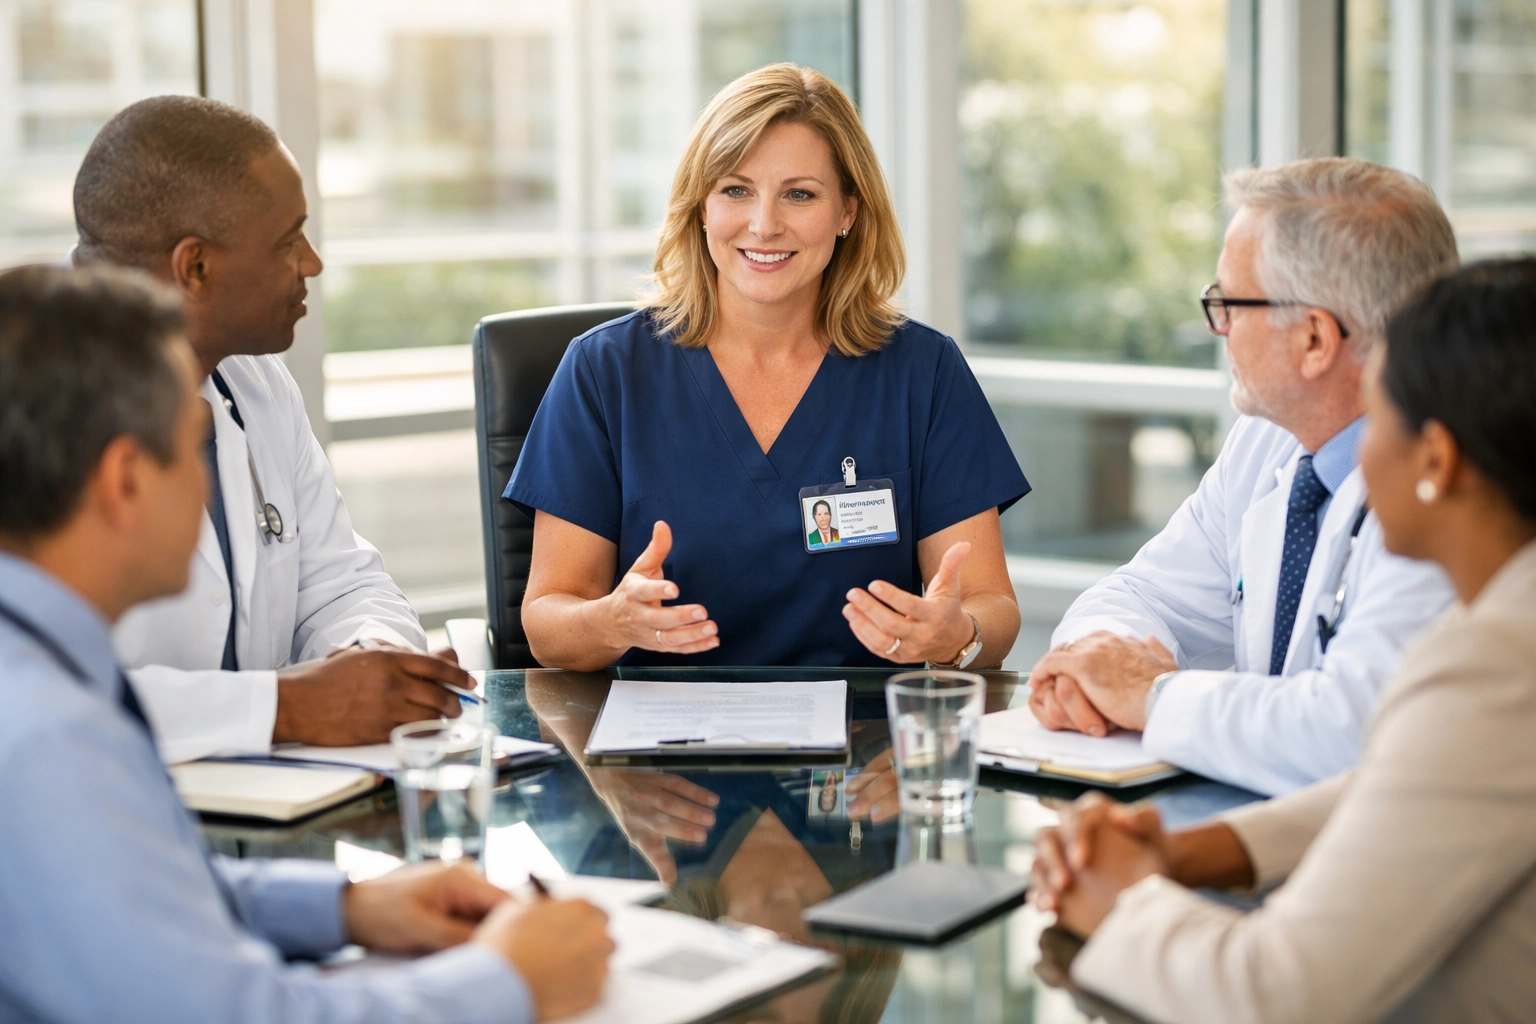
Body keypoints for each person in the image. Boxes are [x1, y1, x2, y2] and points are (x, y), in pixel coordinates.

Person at [0, 264, 613, 1022]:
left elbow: (124, 891)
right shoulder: (47, 735)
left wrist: (345, 908)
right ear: (125, 481)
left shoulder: (38, 663)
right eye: (192, 446)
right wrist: (511, 980)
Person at [1029, 258, 1536, 1024]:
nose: (1357, 447)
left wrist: (1121, 899)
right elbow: (1401, 784)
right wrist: (1181, 850)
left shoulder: (1499, 665)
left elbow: (1273, 993)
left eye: (1379, 411)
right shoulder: (1502, 620)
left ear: (1436, 460)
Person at [508, 64, 1029, 670]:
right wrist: (609, 620)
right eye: (735, 190)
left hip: (863, 746)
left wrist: (957, 635)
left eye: (800, 194)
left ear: (848, 213)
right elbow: (548, 623)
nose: (764, 224)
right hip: (663, 745)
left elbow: (993, 605)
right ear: (700, 207)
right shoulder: (604, 372)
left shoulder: (924, 371)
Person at [1028, 158, 1458, 795]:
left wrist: (1151, 695)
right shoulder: (1270, 442)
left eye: (1229, 303)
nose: (1218, 327)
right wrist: (1095, 668)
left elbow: (1348, 732)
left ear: (1314, 339)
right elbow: (1142, 594)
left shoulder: (1448, 491)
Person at [71, 95, 469, 765]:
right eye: (289, 241)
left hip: (270, 815)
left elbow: (342, 581)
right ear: (194, 267)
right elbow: (27, 689)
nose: (311, 263)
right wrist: (290, 706)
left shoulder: (251, 379)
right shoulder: (25, 402)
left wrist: (368, 663)